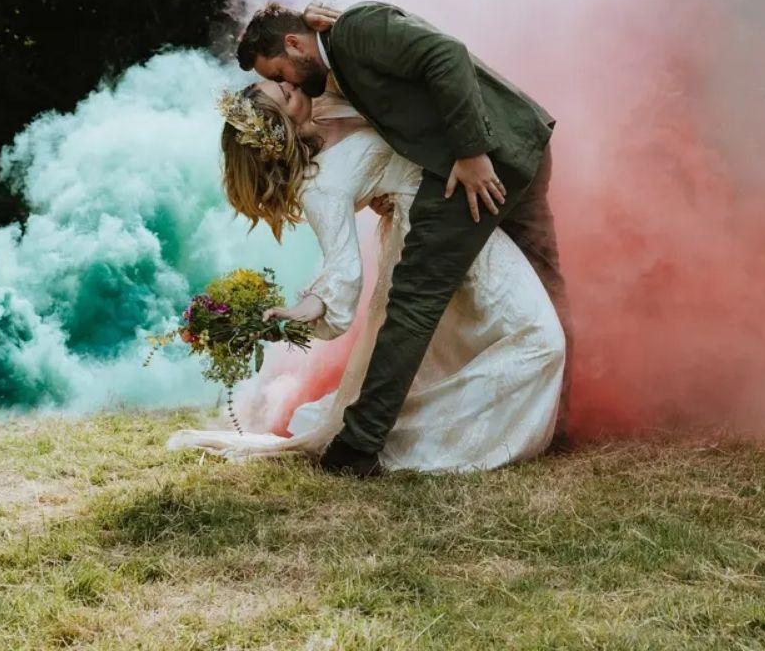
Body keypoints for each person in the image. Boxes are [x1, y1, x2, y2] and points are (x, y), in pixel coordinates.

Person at [234, 1, 572, 475]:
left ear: (294, 44)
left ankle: (361, 443)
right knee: (472, 303)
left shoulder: (350, 36)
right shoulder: (332, 81)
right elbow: (342, 247)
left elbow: (444, 55)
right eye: (281, 85)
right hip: (492, 163)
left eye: (281, 73)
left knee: (444, 309)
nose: (289, 82)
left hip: (489, 161)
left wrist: (470, 151)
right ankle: (362, 443)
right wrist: (306, 307)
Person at [166, 81, 564, 472]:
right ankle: (451, 440)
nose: (293, 86)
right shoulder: (318, 185)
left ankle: (481, 427)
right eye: (286, 95)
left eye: (284, 84)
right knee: (540, 339)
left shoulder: (325, 105)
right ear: (279, 127)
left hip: (455, 217)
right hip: (426, 242)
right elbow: (340, 262)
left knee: (480, 345)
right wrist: (308, 306)